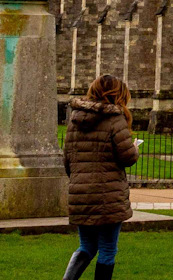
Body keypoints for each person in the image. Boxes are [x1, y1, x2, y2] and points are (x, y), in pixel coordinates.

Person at [61, 74, 142, 280]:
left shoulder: (75, 121)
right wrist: (134, 149)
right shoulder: (115, 119)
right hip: (108, 194)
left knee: (86, 246)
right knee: (107, 249)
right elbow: (127, 157)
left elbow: (68, 160)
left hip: (80, 193)